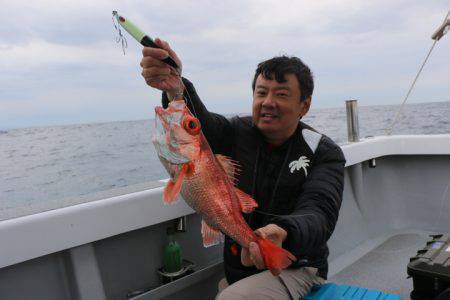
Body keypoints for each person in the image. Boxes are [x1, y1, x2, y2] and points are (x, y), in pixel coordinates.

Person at [140, 38, 346, 300]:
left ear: (304, 106)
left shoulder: (324, 152)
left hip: (297, 265)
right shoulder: (237, 132)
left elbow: (320, 212)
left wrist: (283, 232)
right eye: (261, 92)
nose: (268, 101)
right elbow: (203, 127)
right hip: (240, 267)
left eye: (281, 94)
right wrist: (176, 88)